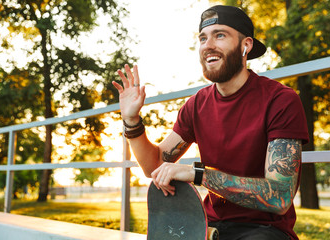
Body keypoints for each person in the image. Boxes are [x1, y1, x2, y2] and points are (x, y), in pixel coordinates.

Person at [112, 5, 309, 240]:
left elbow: (280, 196)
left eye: (220, 35)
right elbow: (154, 165)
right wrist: (132, 120)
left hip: (264, 230)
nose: (208, 45)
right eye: (203, 38)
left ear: (246, 45)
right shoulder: (196, 105)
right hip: (207, 224)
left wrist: (198, 174)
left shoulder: (280, 100)